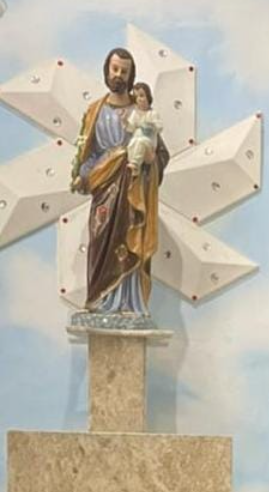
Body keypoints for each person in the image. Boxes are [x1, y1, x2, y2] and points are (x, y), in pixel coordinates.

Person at [70, 47, 169, 329]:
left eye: (124, 71)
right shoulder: (95, 111)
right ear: (106, 71)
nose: (119, 75)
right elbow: (87, 156)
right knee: (101, 240)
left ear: (131, 75)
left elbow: (161, 153)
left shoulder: (141, 111)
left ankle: (129, 303)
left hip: (132, 190)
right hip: (104, 192)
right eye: (115, 69)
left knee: (129, 240)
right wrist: (85, 175)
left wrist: (150, 159)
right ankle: (101, 300)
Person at [126, 82, 163, 177]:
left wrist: (151, 125)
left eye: (142, 96)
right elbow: (130, 128)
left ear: (148, 97)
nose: (139, 99)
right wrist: (124, 122)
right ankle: (135, 168)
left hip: (149, 143)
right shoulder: (135, 113)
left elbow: (160, 127)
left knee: (141, 141)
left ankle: (135, 164)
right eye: (136, 97)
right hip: (136, 140)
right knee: (132, 143)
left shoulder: (152, 113)